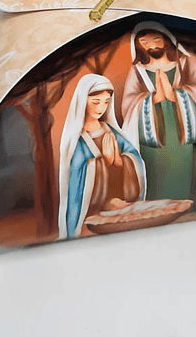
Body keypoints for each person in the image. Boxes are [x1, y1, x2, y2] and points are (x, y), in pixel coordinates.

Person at [121, 21, 196, 214]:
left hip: (188, 130)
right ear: (138, 45)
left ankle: (193, 208)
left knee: (189, 171)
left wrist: (177, 95)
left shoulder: (185, 63)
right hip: (154, 135)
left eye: (156, 39)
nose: (151, 45)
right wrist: (153, 99)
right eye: (144, 41)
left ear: (167, 40)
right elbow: (128, 103)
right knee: (157, 174)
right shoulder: (137, 71)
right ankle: (158, 211)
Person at [58, 74, 145, 239]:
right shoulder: (78, 140)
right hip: (92, 209)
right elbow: (77, 179)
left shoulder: (110, 131)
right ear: (83, 101)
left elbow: (134, 158)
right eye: (95, 102)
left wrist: (120, 161)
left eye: (106, 102)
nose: (101, 108)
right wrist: (102, 163)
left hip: (119, 200)